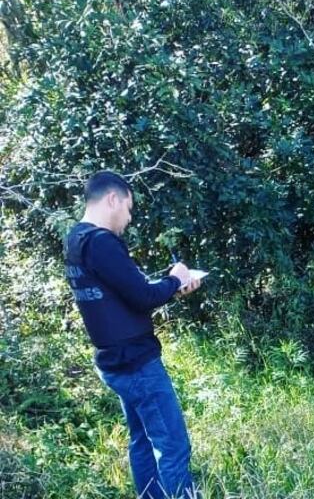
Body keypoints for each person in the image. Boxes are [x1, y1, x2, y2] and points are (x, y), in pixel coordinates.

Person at [64, 171, 201, 498]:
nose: (128, 218)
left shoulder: (76, 239)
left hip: (115, 362)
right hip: (137, 363)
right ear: (113, 199)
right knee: (173, 446)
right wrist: (176, 278)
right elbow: (142, 297)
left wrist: (170, 289)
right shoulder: (101, 242)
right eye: (128, 208)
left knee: (142, 441)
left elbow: (121, 294)